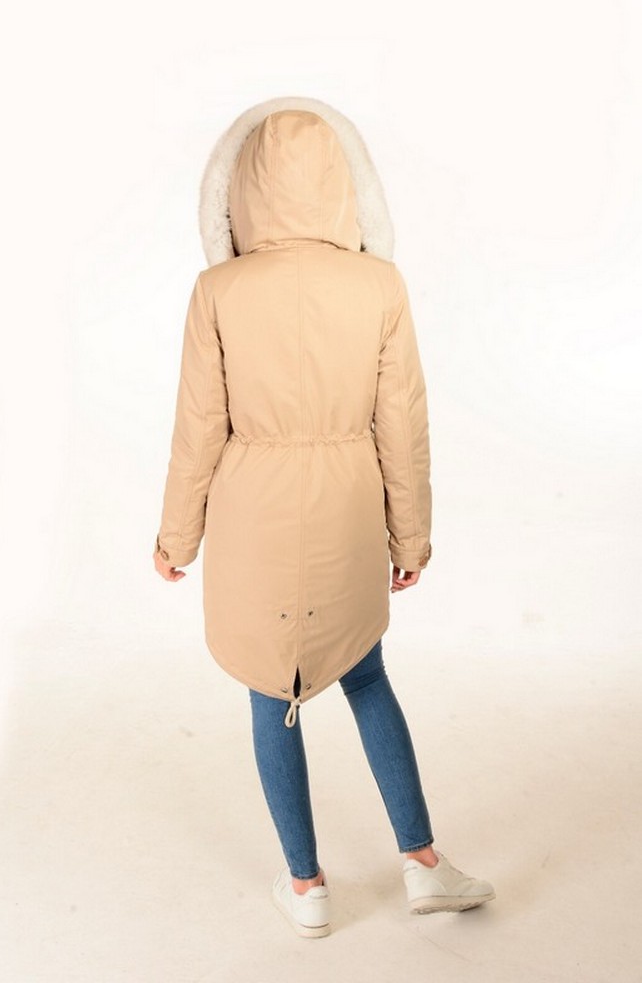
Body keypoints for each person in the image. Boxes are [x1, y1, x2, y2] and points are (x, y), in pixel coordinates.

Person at [153, 96, 495, 938]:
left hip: (252, 514)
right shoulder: (379, 285)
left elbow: (199, 425)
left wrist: (176, 537)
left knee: (270, 688)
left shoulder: (219, 290)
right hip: (347, 506)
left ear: (243, 190)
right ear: (344, 186)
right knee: (365, 675)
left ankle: (306, 886)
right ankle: (422, 864)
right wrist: (410, 538)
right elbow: (402, 423)